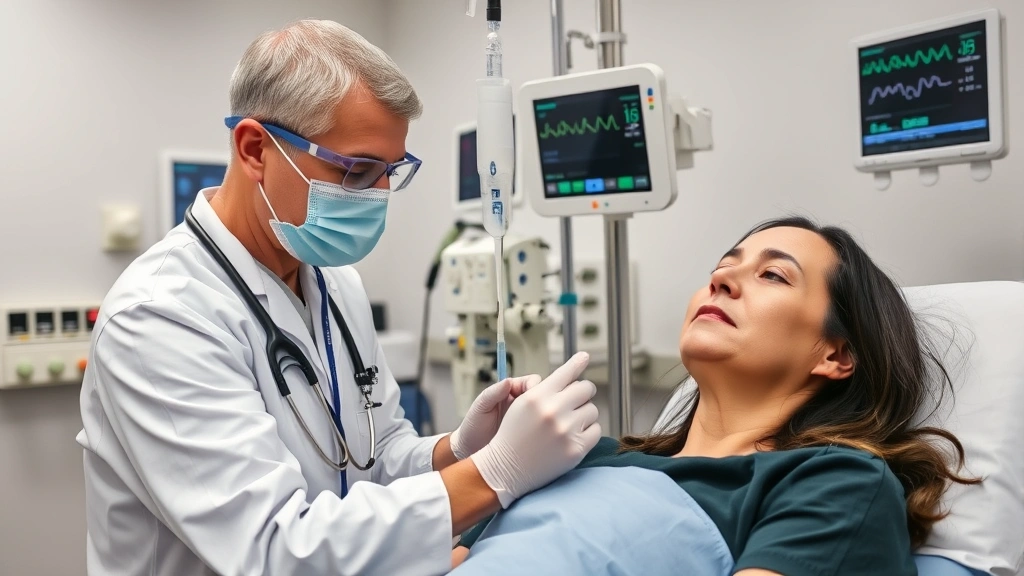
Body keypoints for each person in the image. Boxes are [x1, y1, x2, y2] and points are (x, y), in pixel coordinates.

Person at [76, 19, 600, 576]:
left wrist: (458, 449)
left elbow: (375, 459)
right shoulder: (160, 316)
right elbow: (275, 548)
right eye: (356, 170)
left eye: (390, 173)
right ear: (255, 148)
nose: (378, 196)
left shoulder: (332, 279)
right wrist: (497, 472)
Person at [452, 217, 977, 576]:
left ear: (835, 355)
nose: (723, 279)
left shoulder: (834, 482)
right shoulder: (581, 453)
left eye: (772, 274)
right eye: (722, 267)